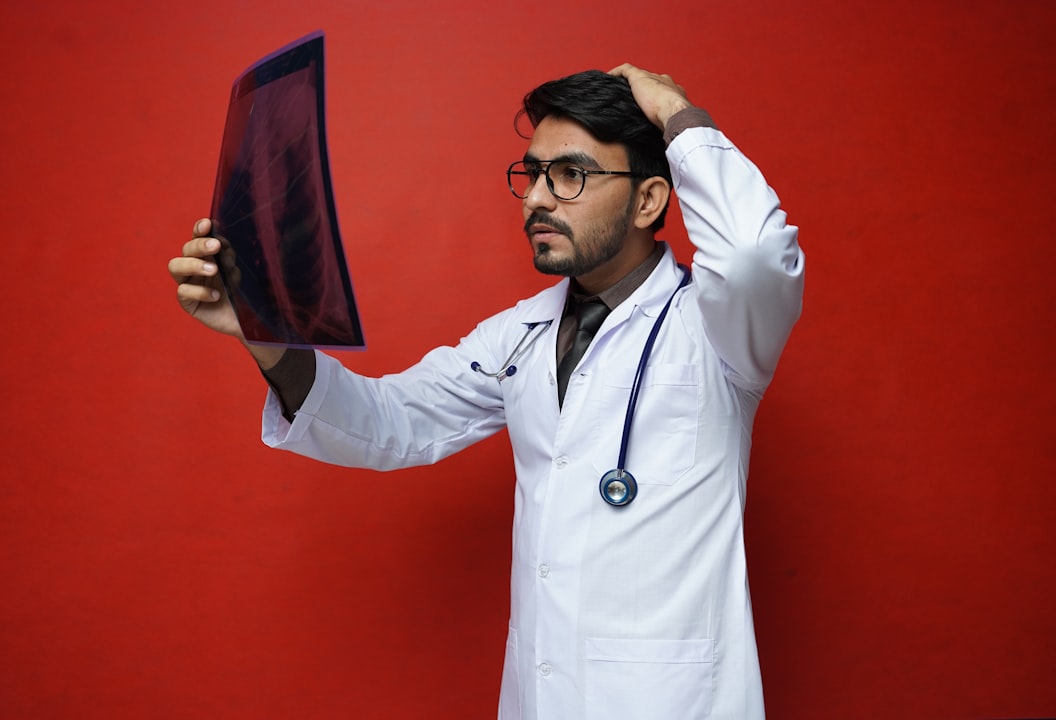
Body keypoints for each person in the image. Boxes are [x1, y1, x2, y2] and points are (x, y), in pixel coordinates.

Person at [169, 63, 804, 720]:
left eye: (571, 175)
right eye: (532, 174)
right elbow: (388, 422)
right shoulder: (518, 337)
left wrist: (673, 109)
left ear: (648, 201)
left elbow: (756, 254)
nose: (536, 199)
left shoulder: (719, 329)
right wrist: (263, 333)